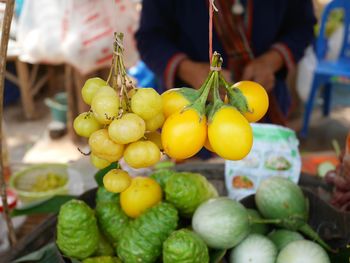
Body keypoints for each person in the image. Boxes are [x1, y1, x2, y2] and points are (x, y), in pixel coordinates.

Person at [135, 0, 317, 124]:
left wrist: (271, 61)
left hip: (264, 106)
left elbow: (302, 27)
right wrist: (189, 70)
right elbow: (150, 38)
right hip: (190, 112)